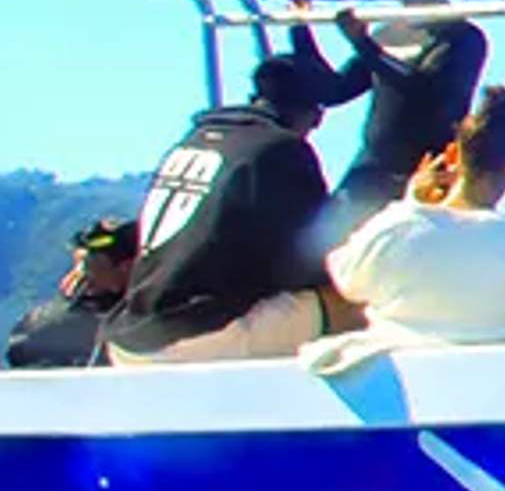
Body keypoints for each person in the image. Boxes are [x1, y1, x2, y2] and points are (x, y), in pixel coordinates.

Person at [105, 50, 344, 365]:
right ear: (315, 114)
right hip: (202, 338)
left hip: (130, 336)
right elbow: (314, 257)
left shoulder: (195, 139)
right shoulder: (281, 151)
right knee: (361, 301)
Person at [322, 87, 505, 347]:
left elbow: (345, 276)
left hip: (404, 382)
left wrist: (411, 204)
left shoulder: (399, 227)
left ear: (453, 155)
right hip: (498, 383)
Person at [308, 11, 491, 249]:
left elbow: (423, 90)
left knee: (412, 252)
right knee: (324, 244)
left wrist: (364, 45)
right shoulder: (392, 33)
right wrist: (301, 29)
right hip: (373, 167)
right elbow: (334, 91)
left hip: (424, 172)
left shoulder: (465, 38)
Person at [3, 216, 139, 369]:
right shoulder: (53, 327)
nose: (86, 273)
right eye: (82, 264)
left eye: (91, 264)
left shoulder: (151, 316)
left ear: (127, 268)